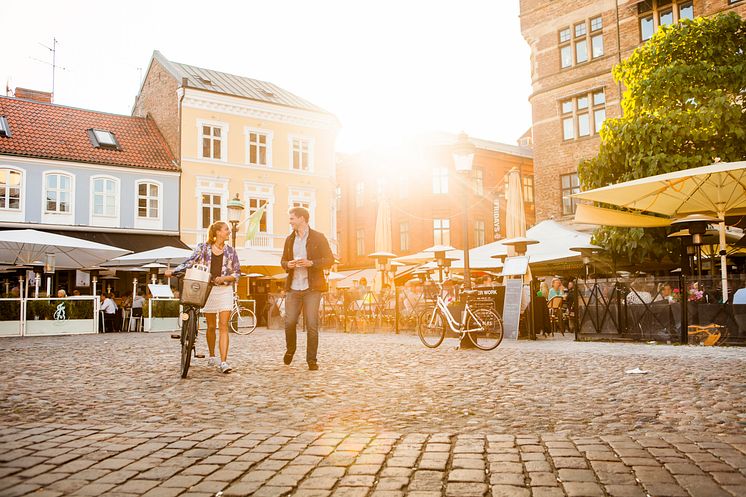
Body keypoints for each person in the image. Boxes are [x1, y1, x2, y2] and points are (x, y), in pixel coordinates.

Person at [168, 221, 241, 374]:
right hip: (206, 290)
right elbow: (190, 262)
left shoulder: (231, 251)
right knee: (211, 326)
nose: (229, 232)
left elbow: (237, 273)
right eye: (226, 229)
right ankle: (212, 355)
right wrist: (174, 271)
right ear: (218, 232)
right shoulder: (203, 248)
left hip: (224, 291)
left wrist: (225, 278)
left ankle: (224, 362)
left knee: (223, 325)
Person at [281, 206, 334, 371]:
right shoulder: (289, 239)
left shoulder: (318, 237)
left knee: (312, 325)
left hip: (312, 288)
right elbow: (283, 261)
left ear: (301, 219)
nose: (290, 222)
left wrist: (312, 263)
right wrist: (288, 265)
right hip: (294, 287)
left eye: (292, 218)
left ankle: (312, 359)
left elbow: (330, 259)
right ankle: (291, 349)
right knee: (289, 322)